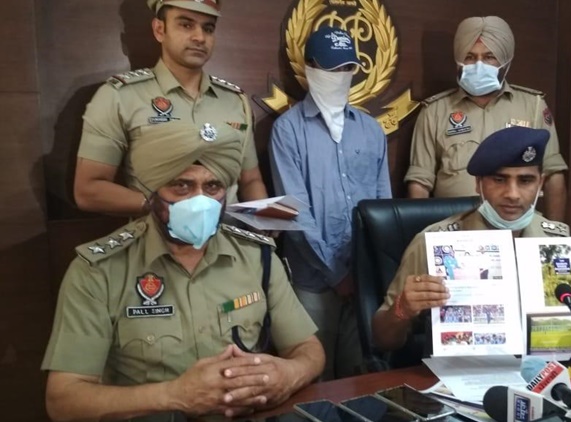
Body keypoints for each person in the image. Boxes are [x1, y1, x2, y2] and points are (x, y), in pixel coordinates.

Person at [42, 121, 324, 422]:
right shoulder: (99, 270)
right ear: (152, 192)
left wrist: (288, 374)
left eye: (212, 186)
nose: (199, 201)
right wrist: (175, 395)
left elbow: (308, 348)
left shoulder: (257, 256)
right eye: (181, 186)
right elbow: (63, 400)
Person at [373, 126, 571, 352]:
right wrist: (402, 310)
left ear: (540, 184)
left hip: (548, 376)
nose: (513, 194)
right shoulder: (434, 242)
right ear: (478, 184)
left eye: (525, 180)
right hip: (461, 380)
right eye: (499, 180)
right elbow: (382, 340)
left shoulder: (560, 241)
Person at [269, 26, 392, 380]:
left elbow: (382, 206)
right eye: (329, 69)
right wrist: (338, 275)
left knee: (359, 378)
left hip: (364, 279)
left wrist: (367, 270)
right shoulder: (288, 130)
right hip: (313, 281)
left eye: (346, 69)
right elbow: (294, 212)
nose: (339, 78)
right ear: (308, 68)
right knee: (312, 379)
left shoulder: (370, 130)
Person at [74, 0, 267, 217]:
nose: (199, 37)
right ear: (159, 29)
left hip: (229, 242)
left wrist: (265, 222)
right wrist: (164, 207)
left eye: (208, 28)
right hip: (157, 241)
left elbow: (251, 180)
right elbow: (88, 190)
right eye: (186, 25)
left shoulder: (234, 101)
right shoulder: (120, 96)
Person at [404, 16, 568, 222]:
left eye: (490, 57)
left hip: (517, 227)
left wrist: (555, 235)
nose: (479, 65)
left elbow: (554, 175)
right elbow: (420, 182)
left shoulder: (533, 106)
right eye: (470, 57)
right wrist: (425, 236)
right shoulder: (434, 111)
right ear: (458, 60)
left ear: (505, 61)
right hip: (456, 229)